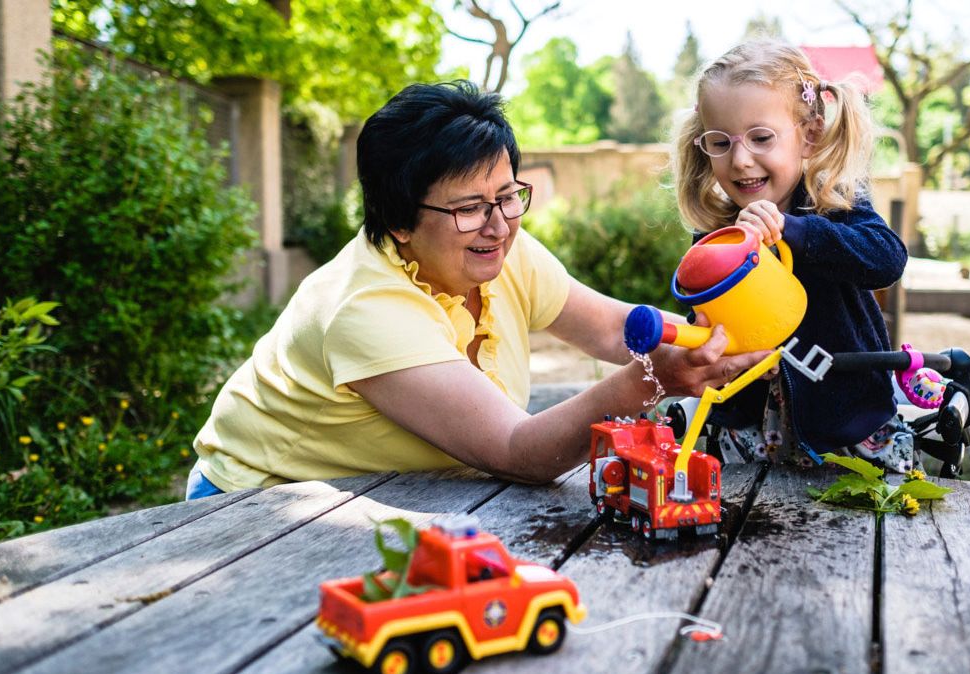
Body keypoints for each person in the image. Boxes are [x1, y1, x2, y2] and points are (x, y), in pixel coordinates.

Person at [185, 80, 771, 498]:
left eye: (507, 195)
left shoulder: (498, 245)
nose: (499, 224)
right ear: (398, 222)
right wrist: (655, 377)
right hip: (260, 503)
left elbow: (614, 330)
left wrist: (707, 339)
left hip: (397, 495)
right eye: (468, 208)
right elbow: (518, 453)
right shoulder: (365, 308)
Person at [671, 41, 912, 472]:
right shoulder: (718, 233)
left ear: (810, 135)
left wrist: (795, 231)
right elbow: (702, 317)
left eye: (761, 138)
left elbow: (887, 260)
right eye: (720, 143)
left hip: (847, 424)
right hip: (744, 431)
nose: (741, 160)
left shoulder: (832, 204)